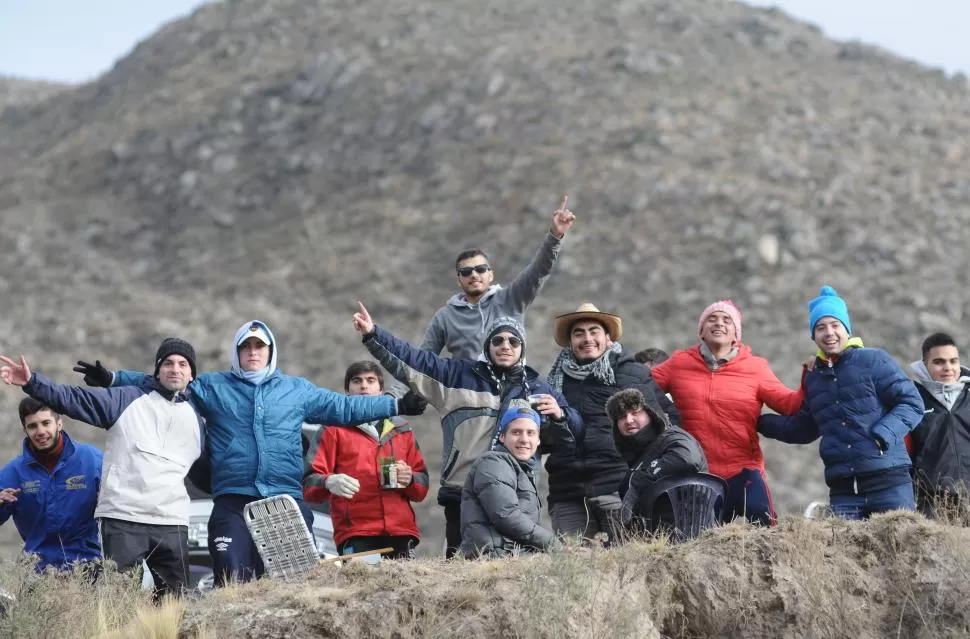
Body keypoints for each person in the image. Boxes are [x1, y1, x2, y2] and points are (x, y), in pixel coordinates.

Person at [74, 320, 425, 585]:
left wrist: (396, 404)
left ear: (270, 351)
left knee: (292, 585)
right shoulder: (214, 387)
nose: (253, 352)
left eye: (260, 347)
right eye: (246, 347)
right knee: (231, 581)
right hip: (233, 501)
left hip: (284, 499)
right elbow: (170, 380)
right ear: (237, 352)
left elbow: (346, 408)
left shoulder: (296, 390)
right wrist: (115, 378)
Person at [351, 302, 581, 558]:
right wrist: (373, 334)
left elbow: (574, 433)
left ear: (522, 348)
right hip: (461, 493)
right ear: (487, 346)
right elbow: (413, 360)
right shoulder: (456, 376)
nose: (505, 346)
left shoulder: (540, 389)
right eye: (498, 340)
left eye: (513, 342)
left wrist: (561, 416)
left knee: (511, 579)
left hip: (517, 497)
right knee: (460, 575)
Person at [2, 339, 204, 597]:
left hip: (171, 520)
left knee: (177, 603)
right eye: (167, 363)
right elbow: (76, 399)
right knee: (119, 605)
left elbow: (207, 469)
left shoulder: (195, 418)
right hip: (122, 520)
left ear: (191, 374)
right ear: (156, 370)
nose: (175, 369)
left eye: (182, 364)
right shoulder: (127, 400)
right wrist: (33, 384)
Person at [758, 286, 924, 520]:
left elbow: (912, 402)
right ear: (813, 335)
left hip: (889, 483)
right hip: (844, 491)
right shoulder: (814, 376)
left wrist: (883, 433)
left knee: (900, 552)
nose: (829, 333)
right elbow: (805, 428)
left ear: (847, 329)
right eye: (820, 327)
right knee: (845, 556)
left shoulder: (873, 360)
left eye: (835, 325)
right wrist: (758, 422)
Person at [648, 300, 803, 526]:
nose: (719, 323)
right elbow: (643, 385)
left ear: (735, 334)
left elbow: (789, 404)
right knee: (703, 543)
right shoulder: (679, 363)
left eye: (726, 320)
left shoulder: (755, 367)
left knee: (767, 531)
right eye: (712, 319)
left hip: (745, 471)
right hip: (700, 473)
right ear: (701, 331)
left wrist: (813, 376)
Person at [543, 303, 680, 543]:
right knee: (574, 568)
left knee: (626, 565)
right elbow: (543, 439)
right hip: (567, 493)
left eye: (594, 331)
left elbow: (667, 423)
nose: (587, 339)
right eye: (579, 333)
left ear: (607, 337)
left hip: (619, 489)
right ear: (570, 341)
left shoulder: (631, 374)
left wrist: (644, 469)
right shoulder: (554, 381)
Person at [419, 196, 576, 361]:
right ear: (458, 279)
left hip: (510, 385)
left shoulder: (511, 299)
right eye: (466, 272)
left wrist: (555, 236)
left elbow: (539, 270)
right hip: (465, 386)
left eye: (480, 269)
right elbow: (421, 361)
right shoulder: (445, 317)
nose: (474, 275)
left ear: (491, 275)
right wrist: (395, 388)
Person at [304, 361, 429, 559]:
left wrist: (410, 479)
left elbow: (422, 488)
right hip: (356, 533)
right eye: (357, 381)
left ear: (381, 391)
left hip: (401, 532)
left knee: (402, 590)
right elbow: (309, 485)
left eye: (370, 381)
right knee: (364, 590)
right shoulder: (333, 428)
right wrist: (328, 481)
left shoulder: (402, 429)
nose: (364, 386)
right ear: (347, 392)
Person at [0, 398, 102, 572]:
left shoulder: (92, 459)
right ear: (25, 430)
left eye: (46, 423)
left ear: (59, 423)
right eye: (32, 426)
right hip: (37, 572)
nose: (40, 431)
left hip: (88, 566)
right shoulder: (12, 473)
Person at [607, 388, 707, 534]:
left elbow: (687, 458)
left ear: (651, 413)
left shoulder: (672, 436)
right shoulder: (638, 452)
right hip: (652, 532)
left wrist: (640, 481)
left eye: (635, 413)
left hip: (688, 529)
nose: (628, 420)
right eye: (622, 417)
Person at [460, 407, 557, 557]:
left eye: (530, 433)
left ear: (538, 440)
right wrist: (554, 544)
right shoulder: (493, 462)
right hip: (493, 558)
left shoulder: (521, 470)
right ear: (502, 437)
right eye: (516, 432)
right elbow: (506, 515)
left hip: (510, 554)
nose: (524, 439)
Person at [908, 332, 970, 517]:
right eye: (939, 362)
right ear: (925, 365)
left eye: (953, 361)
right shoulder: (911, 400)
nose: (948, 368)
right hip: (930, 505)